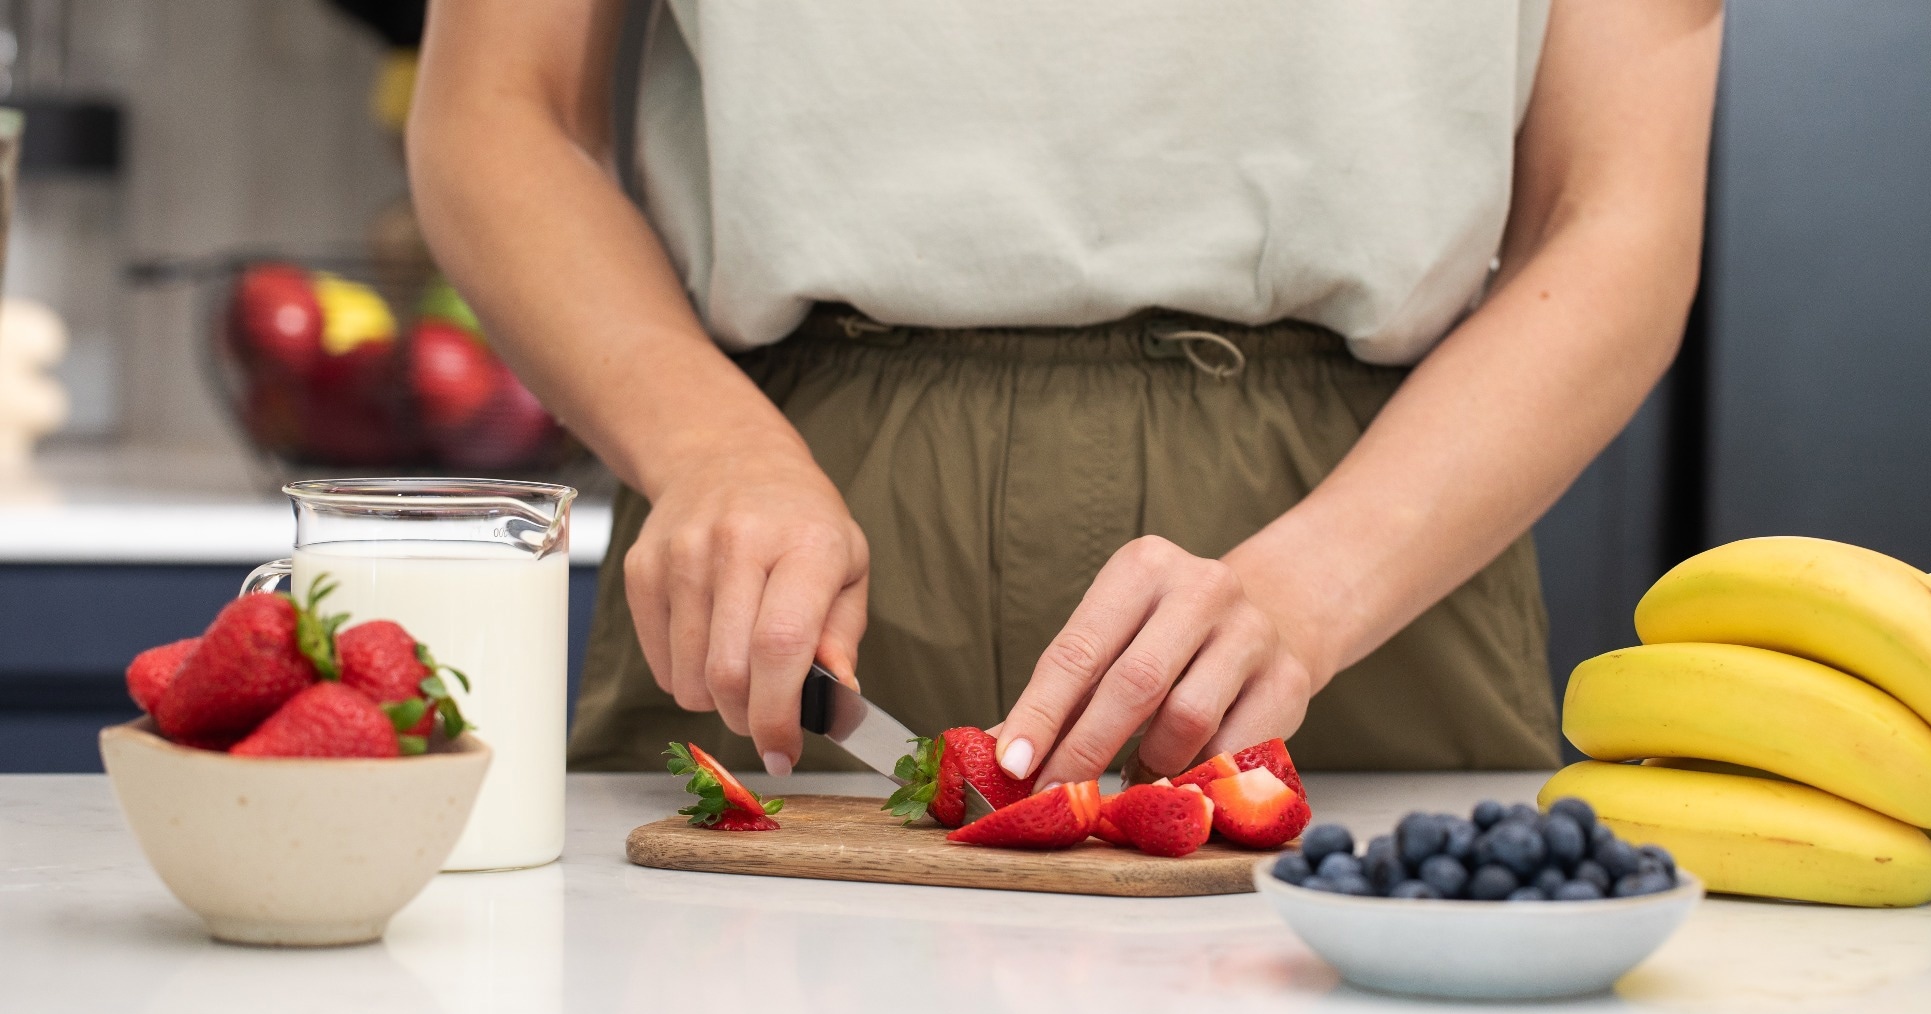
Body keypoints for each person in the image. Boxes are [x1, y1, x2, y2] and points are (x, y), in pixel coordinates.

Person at [407, 1, 1723, 788]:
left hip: (1376, 554)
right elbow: (497, 109)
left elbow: (1612, 215)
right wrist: (708, 450)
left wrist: (1317, 587)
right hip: (787, 530)